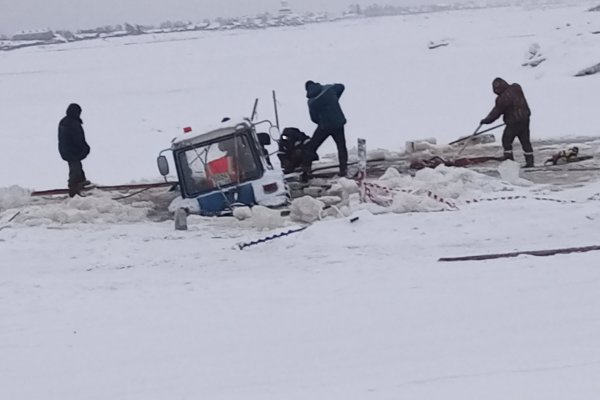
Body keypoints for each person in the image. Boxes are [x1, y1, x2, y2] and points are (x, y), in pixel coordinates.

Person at [480, 77, 534, 167]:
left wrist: (486, 120)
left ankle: (509, 161)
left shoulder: (502, 99)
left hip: (513, 123)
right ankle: (530, 161)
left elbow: (496, 112)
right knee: (525, 141)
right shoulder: (516, 88)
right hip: (525, 120)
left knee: (506, 140)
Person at [301, 80, 348, 181]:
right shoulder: (329, 89)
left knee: (312, 146)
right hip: (338, 123)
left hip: (324, 126)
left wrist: (322, 121)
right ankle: (343, 169)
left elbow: (313, 118)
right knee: (341, 146)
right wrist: (335, 99)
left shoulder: (311, 101)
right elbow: (341, 86)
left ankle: (306, 171)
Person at [58, 103, 91, 197]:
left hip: (66, 150)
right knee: (75, 168)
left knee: (76, 166)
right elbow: (78, 138)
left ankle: (81, 181)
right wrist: (84, 148)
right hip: (72, 151)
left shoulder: (64, 122)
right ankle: (73, 188)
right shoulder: (73, 123)